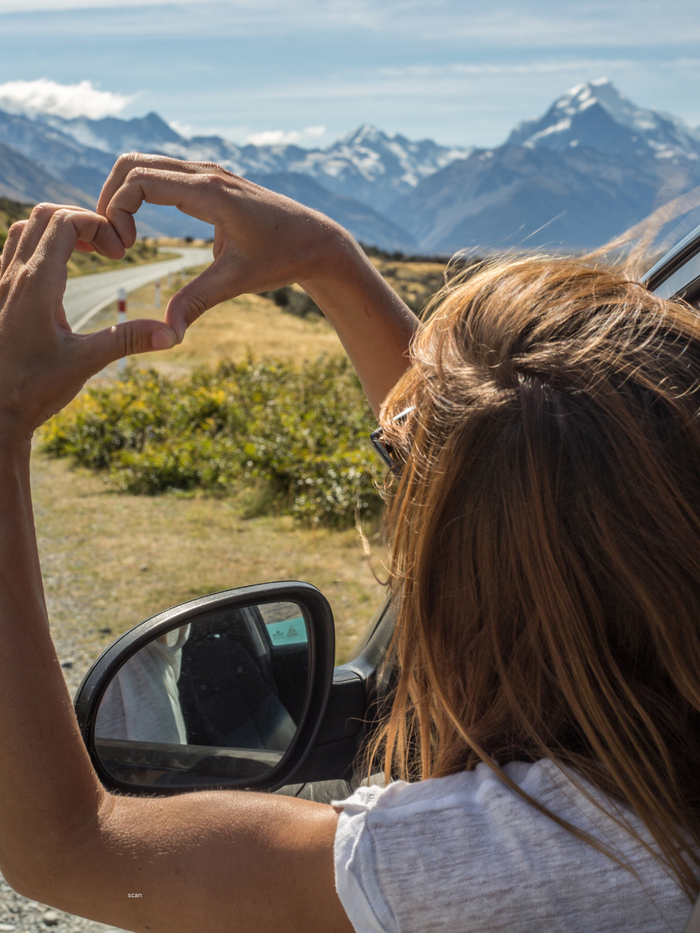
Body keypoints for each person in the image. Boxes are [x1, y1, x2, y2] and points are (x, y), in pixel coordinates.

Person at [0, 154, 698, 932]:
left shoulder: (508, 862)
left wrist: (3, 424)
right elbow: (530, 486)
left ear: (481, 610)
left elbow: (64, 844)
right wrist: (325, 259)